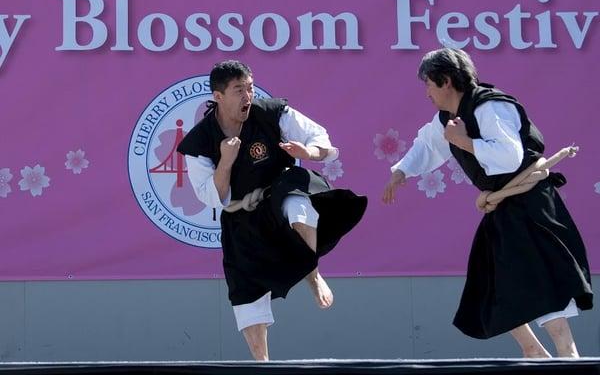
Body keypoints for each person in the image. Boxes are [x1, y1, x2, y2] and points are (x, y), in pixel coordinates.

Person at [382, 48, 593, 358]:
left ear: (447, 81)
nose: (426, 91)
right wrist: (401, 172)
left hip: (532, 203)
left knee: (542, 279)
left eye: (428, 83)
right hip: (506, 207)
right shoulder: (447, 119)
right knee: (490, 278)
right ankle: (533, 350)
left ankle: (567, 354)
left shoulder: (489, 106)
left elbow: (510, 156)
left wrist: (465, 141)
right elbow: (427, 145)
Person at [177, 60, 367, 361]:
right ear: (218, 96)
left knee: (297, 204)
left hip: (280, 190)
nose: (247, 96)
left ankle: (312, 274)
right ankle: (263, 366)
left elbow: (321, 140)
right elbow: (211, 198)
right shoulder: (200, 141)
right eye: (239, 90)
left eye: (250, 88)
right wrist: (226, 160)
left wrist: (308, 153)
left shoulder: (271, 113)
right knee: (245, 295)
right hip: (241, 216)